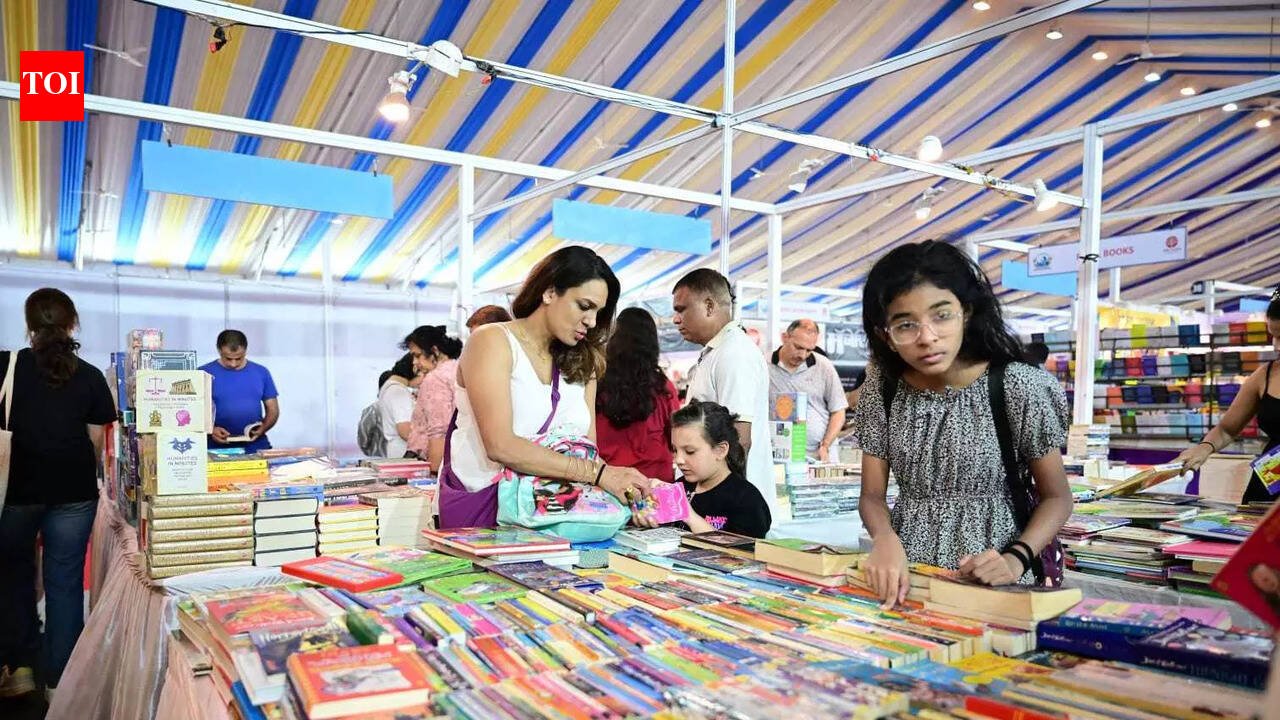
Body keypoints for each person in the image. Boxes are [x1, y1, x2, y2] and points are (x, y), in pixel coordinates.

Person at [854, 240, 1072, 607]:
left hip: (997, 576)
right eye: (905, 325)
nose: (927, 337)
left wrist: (1016, 558)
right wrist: (885, 538)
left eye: (942, 315)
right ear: (884, 335)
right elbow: (871, 496)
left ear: (966, 312)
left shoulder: (1017, 385)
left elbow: (1057, 497)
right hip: (911, 577)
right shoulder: (883, 388)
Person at [439, 246, 651, 528]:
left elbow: (586, 450)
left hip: (557, 515)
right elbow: (501, 445)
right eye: (584, 306)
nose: (591, 321)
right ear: (550, 292)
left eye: (598, 312)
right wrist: (599, 474)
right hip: (488, 512)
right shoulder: (492, 341)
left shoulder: (584, 361)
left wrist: (621, 487)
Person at [0, 289, 115, 699]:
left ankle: (19, 668)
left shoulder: (6, 366)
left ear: (29, 325)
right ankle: (60, 682)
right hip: (73, 492)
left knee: (12, 576)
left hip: (14, 492)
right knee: (64, 583)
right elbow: (96, 441)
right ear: (73, 324)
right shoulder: (90, 376)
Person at [671, 268, 775, 515]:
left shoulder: (734, 353)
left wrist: (726, 506)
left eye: (681, 309)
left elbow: (740, 438)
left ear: (709, 306)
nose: (675, 319)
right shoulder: (719, 351)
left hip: (728, 514)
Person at [1175, 288, 1280, 503]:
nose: (1276, 345)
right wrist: (1204, 448)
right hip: (1267, 490)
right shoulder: (1265, 375)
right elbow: (1226, 429)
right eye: (1274, 335)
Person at [596, 308, 681, 483]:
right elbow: (676, 437)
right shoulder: (664, 389)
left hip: (609, 483)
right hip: (656, 484)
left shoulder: (596, 386)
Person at [768, 319, 848, 461]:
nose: (802, 355)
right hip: (777, 454)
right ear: (785, 337)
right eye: (798, 347)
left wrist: (825, 445)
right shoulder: (764, 365)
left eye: (809, 350)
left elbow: (838, 411)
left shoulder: (824, 366)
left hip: (819, 457)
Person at [200, 330, 279, 453]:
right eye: (228, 358)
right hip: (213, 448)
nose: (233, 364)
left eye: (239, 358)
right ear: (219, 350)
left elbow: (273, 410)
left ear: (245, 351)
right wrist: (211, 430)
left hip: (256, 446)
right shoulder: (202, 374)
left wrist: (263, 428)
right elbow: (191, 412)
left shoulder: (261, 372)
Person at [403, 325, 464, 469]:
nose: (414, 362)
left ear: (434, 351)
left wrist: (435, 472)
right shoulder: (460, 369)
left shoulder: (435, 378)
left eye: (417, 355)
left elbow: (439, 431)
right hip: (460, 458)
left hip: (437, 460)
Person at [377, 353, 421, 459]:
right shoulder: (398, 392)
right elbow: (405, 431)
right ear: (414, 370)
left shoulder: (389, 387)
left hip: (396, 450)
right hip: (404, 450)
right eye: (424, 373)